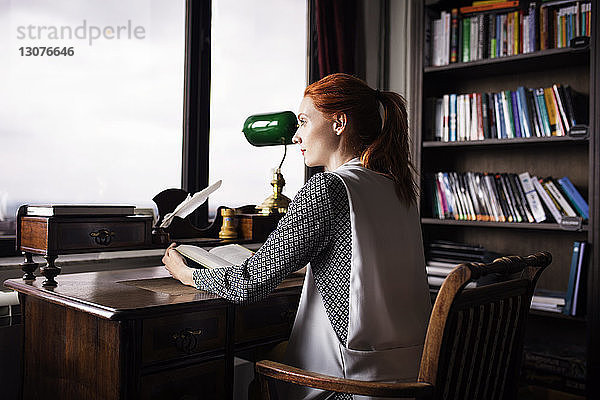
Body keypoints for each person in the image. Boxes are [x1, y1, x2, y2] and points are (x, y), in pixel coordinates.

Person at [163, 73, 431, 400]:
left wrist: (186, 273)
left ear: (339, 123)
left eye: (303, 122)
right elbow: (366, 260)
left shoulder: (326, 188)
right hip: (405, 378)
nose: (296, 136)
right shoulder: (396, 187)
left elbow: (248, 282)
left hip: (348, 386)